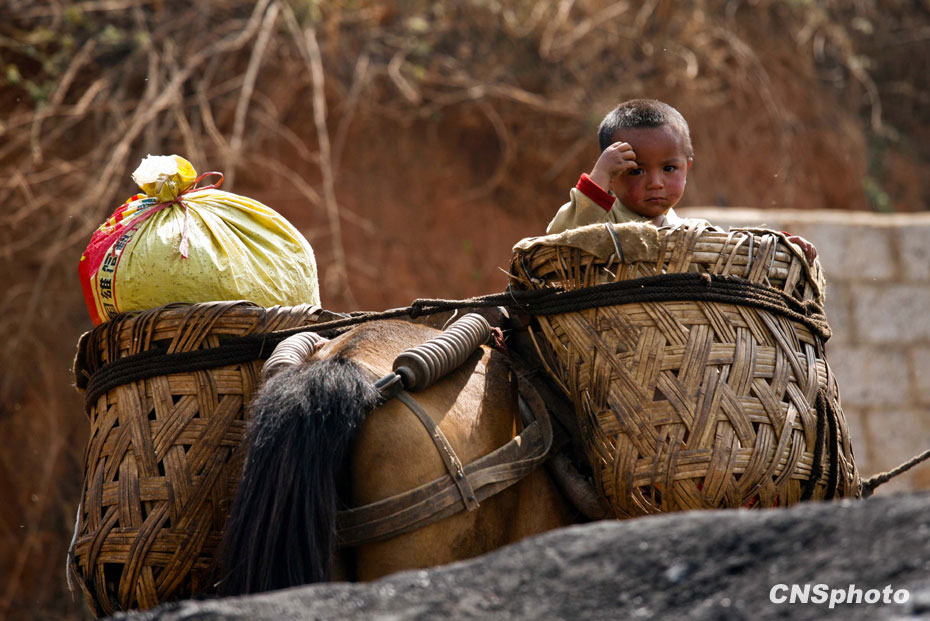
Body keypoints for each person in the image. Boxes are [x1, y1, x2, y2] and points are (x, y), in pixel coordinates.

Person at [546, 99, 817, 262]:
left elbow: (731, 255)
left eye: (669, 168)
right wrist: (598, 178)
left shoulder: (692, 232)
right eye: (636, 171)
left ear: (687, 167)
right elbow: (558, 242)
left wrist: (778, 249)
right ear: (613, 180)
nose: (656, 182)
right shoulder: (601, 222)